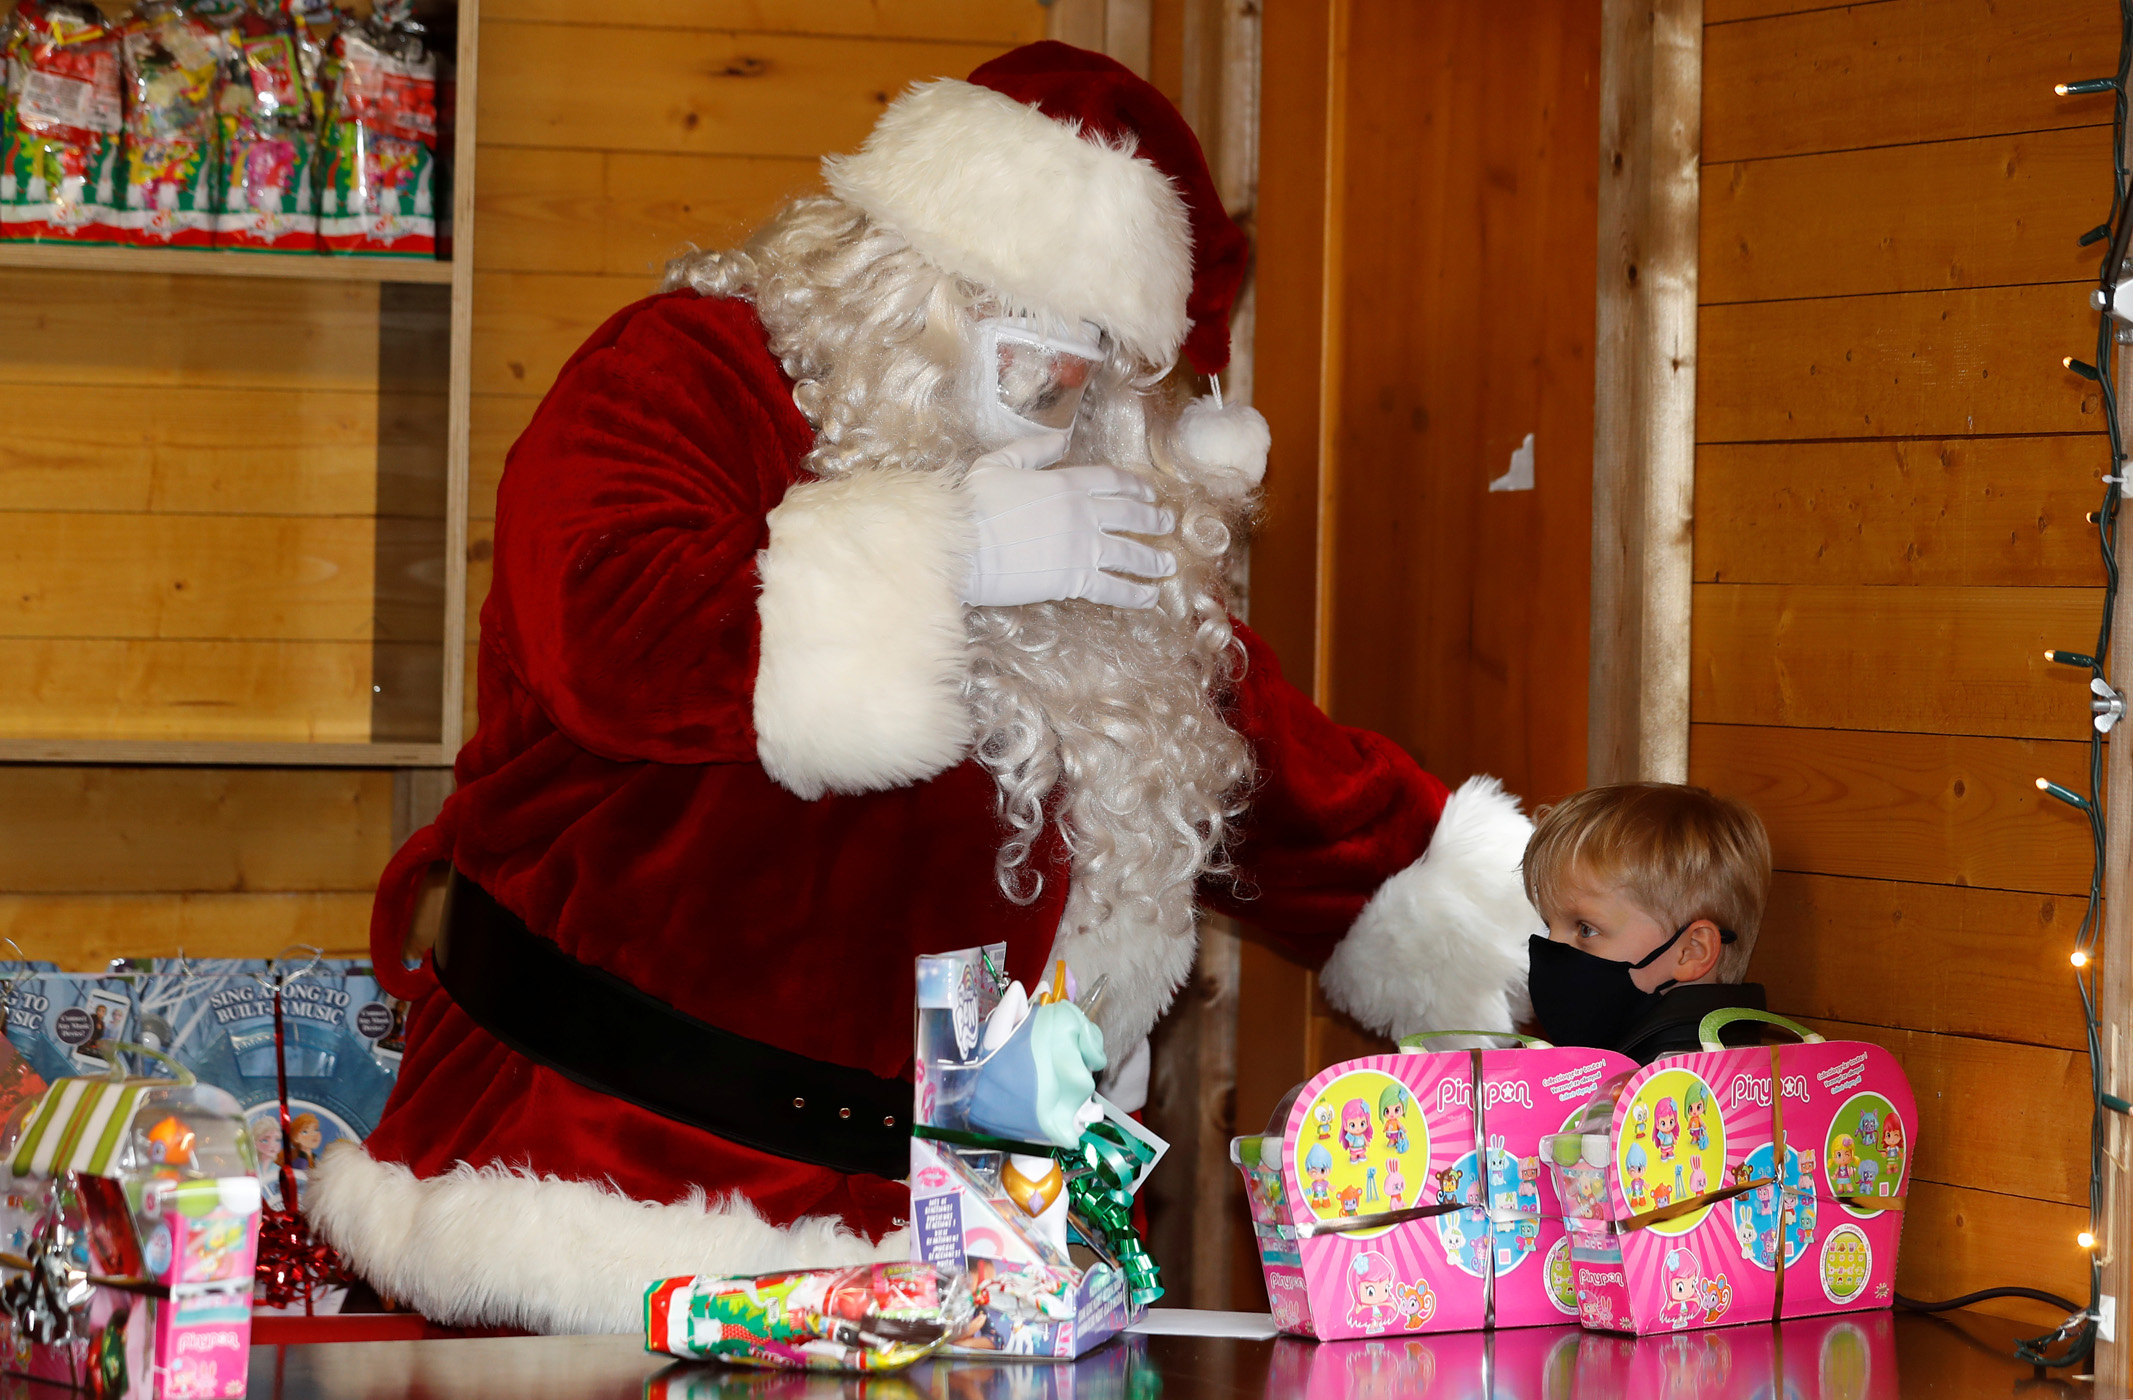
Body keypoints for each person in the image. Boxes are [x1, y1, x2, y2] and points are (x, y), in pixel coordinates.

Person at [307, 41, 1541, 1334]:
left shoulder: (1102, 513)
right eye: (1028, 360)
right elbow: (610, 639)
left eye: (1098, 374)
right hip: (595, 1186)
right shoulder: (684, 375)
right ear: (906, 279)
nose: (1058, 407)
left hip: (947, 1246)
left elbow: (1276, 778)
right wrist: (951, 556)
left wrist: (1547, 944)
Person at [1521, 783, 1772, 1062]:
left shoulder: (1678, 1087)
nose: (1552, 949)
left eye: (1585, 929)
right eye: (1547, 925)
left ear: (1691, 951)